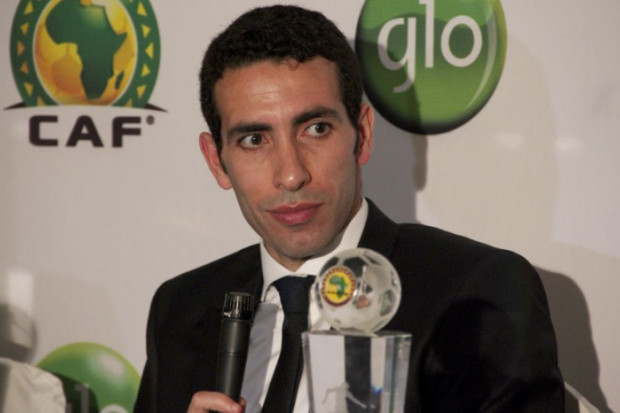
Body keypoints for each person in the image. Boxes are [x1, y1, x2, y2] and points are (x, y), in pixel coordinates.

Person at [134, 5, 564, 413]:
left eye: (315, 129)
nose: (291, 175)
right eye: (254, 140)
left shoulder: (475, 292)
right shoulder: (181, 308)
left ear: (362, 134)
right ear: (217, 161)